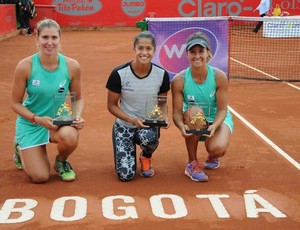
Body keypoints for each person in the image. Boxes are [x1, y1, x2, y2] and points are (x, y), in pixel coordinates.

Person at [11, 19, 85, 183]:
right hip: (32, 123)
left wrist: (77, 116)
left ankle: (61, 162)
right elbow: (15, 103)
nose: (49, 43)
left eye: (54, 38)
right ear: (37, 38)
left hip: (59, 123)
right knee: (40, 177)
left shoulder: (72, 66)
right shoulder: (25, 66)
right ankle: (20, 146)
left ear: (60, 39)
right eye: (45, 37)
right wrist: (37, 119)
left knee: (70, 136)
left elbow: (78, 98)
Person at [106, 31, 170, 182]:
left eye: (148, 49)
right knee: (126, 176)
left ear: (154, 51)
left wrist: (164, 118)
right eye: (140, 48)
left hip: (148, 126)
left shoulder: (162, 74)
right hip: (124, 125)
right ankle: (127, 152)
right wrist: (131, 119)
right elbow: (111, 106)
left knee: (150, 139)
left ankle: (146, 156)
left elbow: (161, 104)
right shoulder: (119, 73)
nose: (144, 52)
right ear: (134, 49)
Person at [171, 32, 234, 182]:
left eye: (201, 51)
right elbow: (176, 113)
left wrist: (215, 125)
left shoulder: (219, 77)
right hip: (194, 119)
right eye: (192, 52)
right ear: (187, 54)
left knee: (217, 149)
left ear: (209, 53)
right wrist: (181, 126)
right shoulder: (179, 80)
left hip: (217, 118)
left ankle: (212, 153)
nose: (197, 56)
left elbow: (222, 109)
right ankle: (192, 164)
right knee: (195, 112)